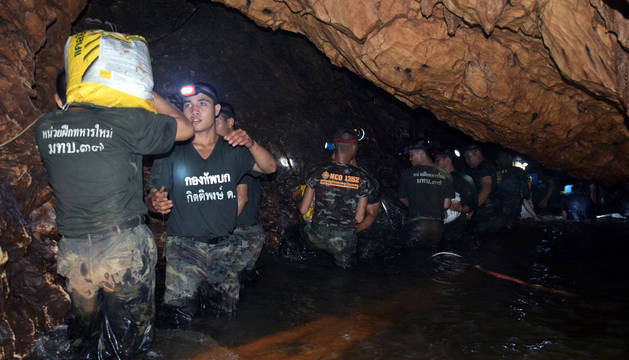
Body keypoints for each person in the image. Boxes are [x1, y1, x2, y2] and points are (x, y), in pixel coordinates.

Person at [34, 70, 193, 358]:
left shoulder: (44, 127)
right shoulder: (125, 120)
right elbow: (185, 128)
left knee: (83, 338)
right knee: (128, 344)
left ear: (59, 99)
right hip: (123, 251)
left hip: (75, 253)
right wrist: (142, 89)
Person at [146, 82, 276, 321]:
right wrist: (154, 203)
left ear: (216, 110)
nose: (194, 110)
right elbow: (152, 196)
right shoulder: (171, 150)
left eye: (202, 104)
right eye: (188, 105)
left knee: (223, 318)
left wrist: (251, 143)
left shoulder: (234, 149)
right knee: (177, 317)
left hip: (226, 249)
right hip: (184, 249)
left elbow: (269, 167)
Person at [299, 129, 370, 268]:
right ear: (354, 147)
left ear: (334, 148)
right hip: (343, 240)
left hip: (317, 235)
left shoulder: (318, 172)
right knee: (344, 265)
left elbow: (303, 209)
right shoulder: (363, 178)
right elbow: (360, 218)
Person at [216, 103, 266, 279]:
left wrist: (219, 231)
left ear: (230, 122)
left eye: (217, 120)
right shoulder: (221, 150)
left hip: (241, 232)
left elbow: (241, 198)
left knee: (224, 282)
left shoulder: (237, 151)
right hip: (242, 230)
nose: (211, 125)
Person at [399, 141, 454, 250]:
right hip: (437, 227)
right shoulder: (446, 175)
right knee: (432, 258)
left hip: (417, 224)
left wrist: (416, 206)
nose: (410, 159)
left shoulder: (408, 173)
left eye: (411, 155)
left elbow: (402, 198)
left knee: (414, 260)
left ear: (421, 153)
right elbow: (446, 205)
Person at [434, 149, 477, 247]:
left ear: (448, 160)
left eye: (437, 160)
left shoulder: (464, 180)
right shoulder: (435, 179)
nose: (434, 164)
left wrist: (460, 208)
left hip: (456, 232)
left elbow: (472, 205)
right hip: (437, 230)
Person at [463, 143, 503, 233]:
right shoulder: (489, 166)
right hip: (493, 212)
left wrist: (472, 208)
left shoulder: (484, 167)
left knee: (486, 241)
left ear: (477, 153)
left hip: (488, 214)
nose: (466, 160)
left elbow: (486, 189)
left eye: (468, 157)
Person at [495, 151, 540, 227]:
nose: (501, 160)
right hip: (502, 212)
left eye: (502, 158)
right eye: (500, 158)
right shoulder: (496, 172)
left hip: (507, 213)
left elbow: (523, 196)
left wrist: (534, 216)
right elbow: (524, 196)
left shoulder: (517, 172)